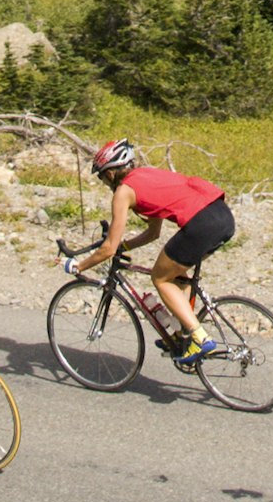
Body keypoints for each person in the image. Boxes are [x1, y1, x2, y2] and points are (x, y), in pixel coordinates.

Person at [67, 138, 231, 361]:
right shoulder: (146, 175)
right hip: (223, 216)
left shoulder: (123, 192)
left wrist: (80, 265)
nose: (105, 183)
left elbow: (107, 249)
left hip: (201, 224)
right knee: (177, 278)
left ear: (112, 172)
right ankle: (184, 335)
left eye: (103, 176)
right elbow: (153, 233)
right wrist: (124, 246)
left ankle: (200, 337)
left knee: (160, 278)